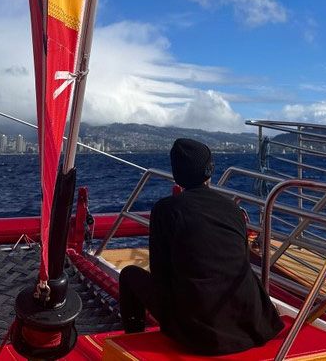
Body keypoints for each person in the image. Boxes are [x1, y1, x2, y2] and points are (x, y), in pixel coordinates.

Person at [119, 138, 285, 355]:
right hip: (251, 325)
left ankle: (134, 340)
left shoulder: (165, 210)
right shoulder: (232, 209)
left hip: (198, 334)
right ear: (210, 170)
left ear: (177, 174)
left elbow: (160, 274)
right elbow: (243, 263)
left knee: (129, 274)